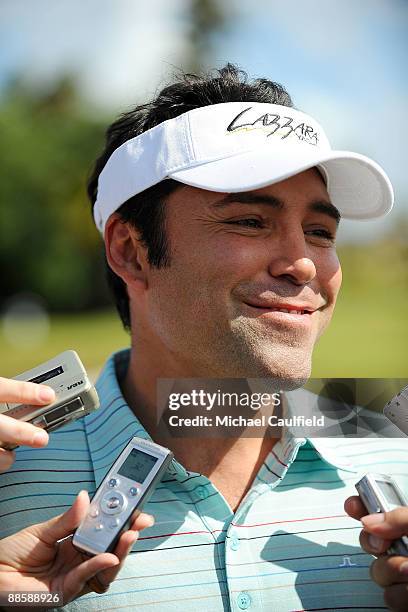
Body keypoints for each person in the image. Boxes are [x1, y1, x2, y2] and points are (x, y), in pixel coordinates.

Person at [1, 64, 408, 611]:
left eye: (320, 232)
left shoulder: (395, 457)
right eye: (249, 221)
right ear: (131, 250)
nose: (304, 265)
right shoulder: (10, 477)